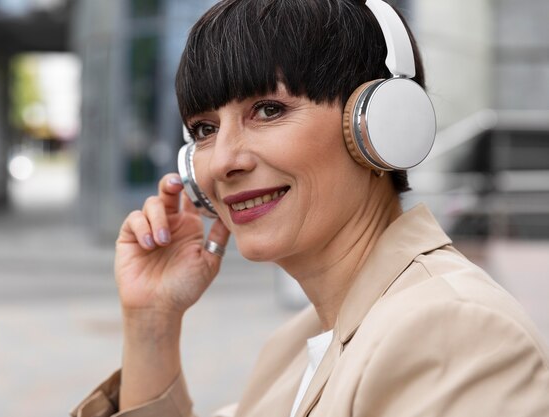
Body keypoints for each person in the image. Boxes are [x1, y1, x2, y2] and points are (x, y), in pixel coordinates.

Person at [72, 0, 549, 416]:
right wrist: (152, 322)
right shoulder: (297, 345)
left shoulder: (453, 331)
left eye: (268, 110)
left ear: (380, 127)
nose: (222, 162)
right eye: (204, 130)